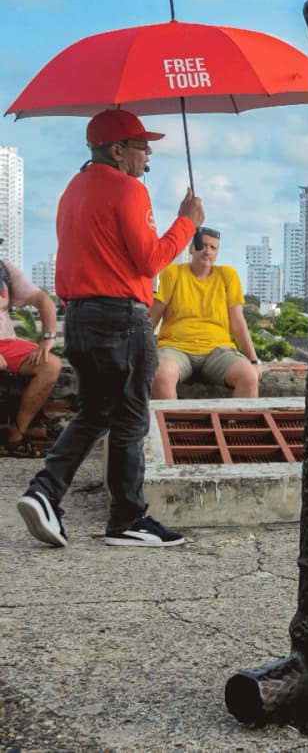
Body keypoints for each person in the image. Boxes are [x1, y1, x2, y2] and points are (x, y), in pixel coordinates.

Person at [17, 108, 205, 549]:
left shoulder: (72, 190)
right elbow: (151, 261)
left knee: (98, 411)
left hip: (80, 317)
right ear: (117, 151)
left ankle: (47, 492)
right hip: (122, 318)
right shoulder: (129, 190)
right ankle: (127, 518)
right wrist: (187, 221)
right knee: (130, 419)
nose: (149, 153)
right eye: (141, 146)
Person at [151, 227, 262, 399]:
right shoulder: (173, 273)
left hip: (217, 350)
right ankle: (171, 424)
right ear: (192, 248)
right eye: (203, 246)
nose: (207, 251)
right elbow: (153, 316)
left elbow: (238, 322)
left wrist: (254, 360)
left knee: (248, 376)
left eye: (213, 248)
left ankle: (236, 425)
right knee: (160, 374)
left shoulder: (227, 276)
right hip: (175, 348)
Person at [0, 248, 63, 457]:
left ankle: (15, 435)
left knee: (51, 364)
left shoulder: (5, 269)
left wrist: (48, 339)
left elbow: (43, 300)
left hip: (7, 342)